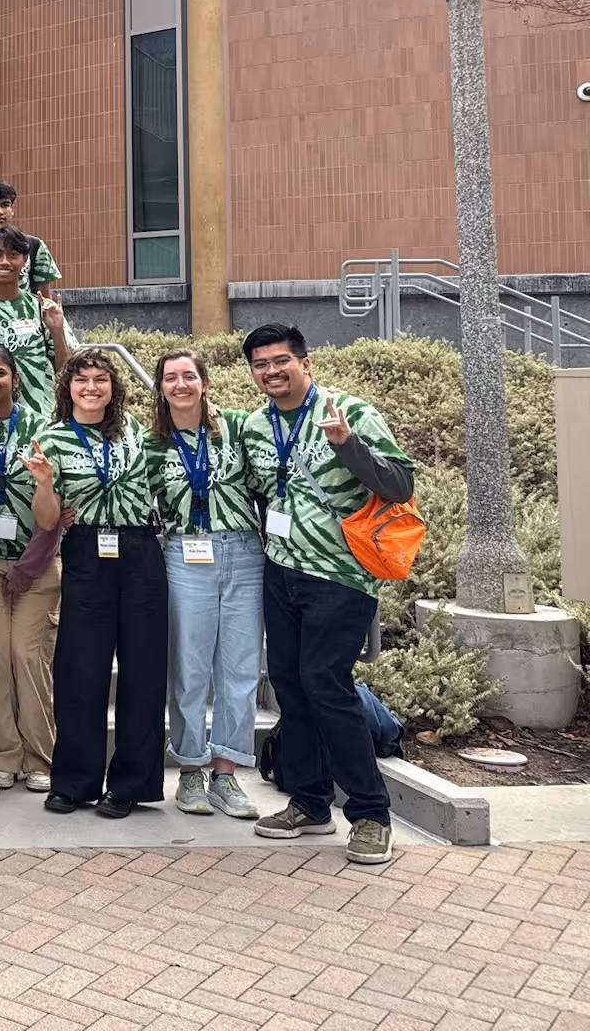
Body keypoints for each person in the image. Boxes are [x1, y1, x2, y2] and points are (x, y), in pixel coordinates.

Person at [239, 324, 412, 865]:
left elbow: (399, 485)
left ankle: (370, 813)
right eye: (261, 364)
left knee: (325, 682)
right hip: (281, 570)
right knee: (290, 684)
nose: (272, 371)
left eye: (281, 360)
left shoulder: (349, 412)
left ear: (305, 363)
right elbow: (259, 490)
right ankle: (310, 802)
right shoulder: (253, 426)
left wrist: (347, 447)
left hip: (341, 577)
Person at [26, 348, 164, 819]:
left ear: (113, 387)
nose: (91, 387)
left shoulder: (137, 436)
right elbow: (46, 520)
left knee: (143, 672)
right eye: (81, 379)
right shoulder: (52, 438)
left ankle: (130, 784)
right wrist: (45, 484)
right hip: (86, 551)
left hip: (141, 552)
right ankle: (74, 781)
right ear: (67, 388)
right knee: (80, 671)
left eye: (101, 379)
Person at [145, 349, 262, 822]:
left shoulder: (236, 427)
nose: (180, 385)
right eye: (170, 378)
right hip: (185, 555)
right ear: (160, 388)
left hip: (244, 553)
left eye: (188, 376)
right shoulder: (152, 442)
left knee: (239, 670)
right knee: (190, 668)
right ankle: (190, 769)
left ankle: (226, 773)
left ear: (205, 382)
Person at [0, 346, 56, 794]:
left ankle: (40, 755)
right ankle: (1, 754)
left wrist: (31, 563)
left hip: (36, 562)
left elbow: (60, 507)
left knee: (27, 654)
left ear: (15, 378)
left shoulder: (41, 427)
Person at [0, 227, 70, 418]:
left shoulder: (43, 309)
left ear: (25, 260)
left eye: (13, 255)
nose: (4, 262)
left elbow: (65, 371)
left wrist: (57, 332)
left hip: (40, 419)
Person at [0, 181, 62, 297]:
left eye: (5, 205)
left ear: (12, 209)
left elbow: (44, 297)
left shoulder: (34, 246)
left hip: (24, 314)